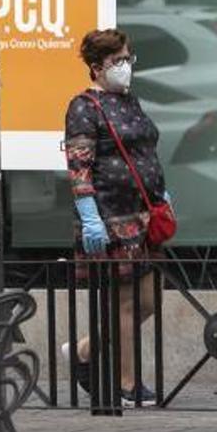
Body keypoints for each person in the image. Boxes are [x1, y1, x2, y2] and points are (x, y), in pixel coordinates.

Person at [62, 28, 170, 406]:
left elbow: (144, 152)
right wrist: (90, 215)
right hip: (111, 220)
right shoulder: (84, 107)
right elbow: (79, 166)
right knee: (124, 303)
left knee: (148, 301)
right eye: (117, 61)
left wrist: (161, 193)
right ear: (96, 68)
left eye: (128, 58)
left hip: (144, 218)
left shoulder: (130, 102)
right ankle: (126, 383)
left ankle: (85, 350)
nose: (125, 67)